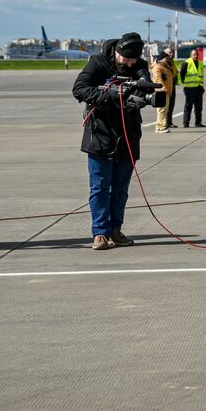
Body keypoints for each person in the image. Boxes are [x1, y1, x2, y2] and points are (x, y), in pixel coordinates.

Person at [73, 32, 149, 250]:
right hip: (100, 133)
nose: (130, 63)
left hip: (127, 135)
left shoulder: (139, 65)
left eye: (134, 60)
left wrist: (141, 90)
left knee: (120, 188)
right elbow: (79, 89)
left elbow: (146, 85)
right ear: (117, 52)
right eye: (127, 59)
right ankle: (100, 232)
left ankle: (115, 229)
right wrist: (111, 96)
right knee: (100, 187)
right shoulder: (98, 63)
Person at [177, 49, 205, 127]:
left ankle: (198, 122)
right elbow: (182, 74)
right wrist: (184, 83)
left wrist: (201, 86)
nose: (195, 56)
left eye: (196, 54)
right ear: (191, 55)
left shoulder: (201, 63)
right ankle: (186, 122)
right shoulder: (186, 63)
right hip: (189, 88)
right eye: (194, 55)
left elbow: (200, 76)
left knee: (199, 107)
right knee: (188, 106)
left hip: (199, 87)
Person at [150, 51, 175, 133]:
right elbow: (158, 80)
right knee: (162, 109)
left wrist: (171, 65)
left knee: (164, 109)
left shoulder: (165, 67)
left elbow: (174, 73)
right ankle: (161, 127)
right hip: (161, 91)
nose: (168, 60)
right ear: (161, 59)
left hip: (166, 91)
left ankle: (159, 126)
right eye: (166, 58)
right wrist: (163, 89)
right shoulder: (157, 67)